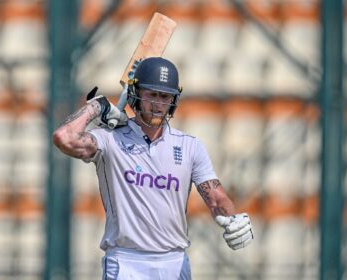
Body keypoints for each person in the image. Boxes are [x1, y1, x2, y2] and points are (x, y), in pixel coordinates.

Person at [53, 57, 253, 280]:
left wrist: (232, 217)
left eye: (165, 96)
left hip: (174, 262)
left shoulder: (189, 146)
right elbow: (64, 138)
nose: (158, 104)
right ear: (136, 94)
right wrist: (96, 107)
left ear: (174, 99)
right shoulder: (109, 141)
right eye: (151, 94)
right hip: (125, 261)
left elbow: (216, 198)